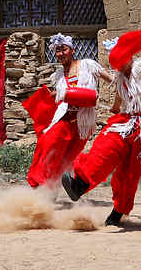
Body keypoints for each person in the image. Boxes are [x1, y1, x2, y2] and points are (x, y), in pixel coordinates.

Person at [61, 24, 141, 227]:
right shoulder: (119, 77)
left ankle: (118, 213)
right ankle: (79, 185)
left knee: (129, 174)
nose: (121, 69)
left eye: (122, 65)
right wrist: (115, 108)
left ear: (129, 58)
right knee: (103, 149)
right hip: (125, 122)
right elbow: (119, 98)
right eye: (117, 67)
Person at [24, 33, 109, 188]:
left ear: (72, 50)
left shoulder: (87, 65)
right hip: (65, 120)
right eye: (57, 51)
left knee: (68, 160)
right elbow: (62, 96)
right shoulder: (58, 76)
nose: (61, 53)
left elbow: (109, 79)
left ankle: (57, 190)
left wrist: (125, 85)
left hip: (83, 124)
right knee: (47, 145)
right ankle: (41, 184)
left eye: (63, 49)